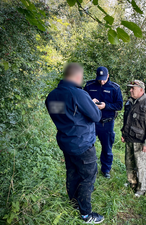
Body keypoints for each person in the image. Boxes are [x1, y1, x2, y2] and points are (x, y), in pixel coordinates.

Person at [45, 63, 104, 224]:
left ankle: (74, 203)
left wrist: (86, 103)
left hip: (66, 142)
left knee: (72, 172)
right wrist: (92, 105)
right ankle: (86, 214)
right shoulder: (78, 94)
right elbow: (96, 116)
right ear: (77, 77)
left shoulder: (52, 95)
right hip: (82, 144)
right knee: (88, 177)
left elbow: (66, 114)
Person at [84, 66, 123, 179]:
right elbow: (82, 101)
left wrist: (106, 106)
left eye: (104, 78)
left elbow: (119, 105)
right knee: (88, 146)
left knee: (107, 148)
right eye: (100, 78)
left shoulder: (114, 88)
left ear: (108, 76)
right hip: (91, 122)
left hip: (107, 123)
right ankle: (90, 169)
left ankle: (106, 170)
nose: (102, 81)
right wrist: (91, 103)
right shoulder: (89, 86)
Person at [121, 80, 146, 197]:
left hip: (141, 142)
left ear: (141, 90)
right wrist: (124, 134)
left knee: (141, 166)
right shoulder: (129, 103)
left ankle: (141, 189)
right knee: (129, 163)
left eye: (133, 88)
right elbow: (126, 120)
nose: (130, 90)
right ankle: (132, 183)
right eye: (130, 88)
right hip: (129, 139)